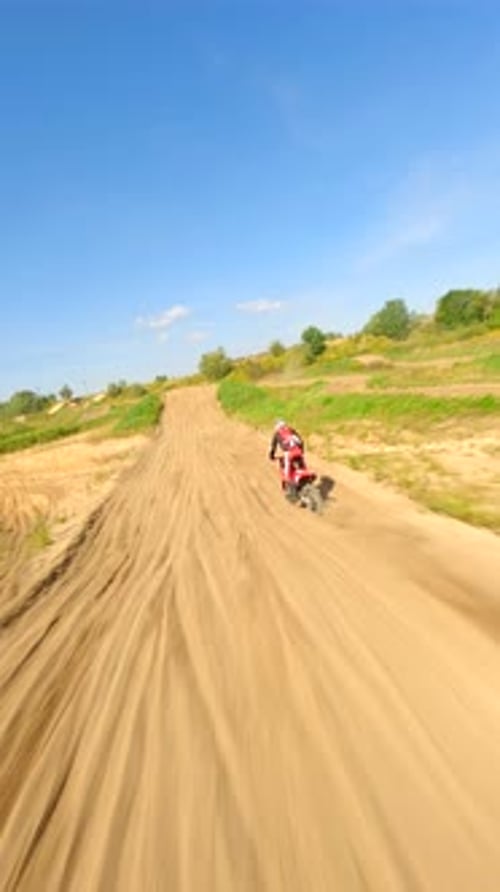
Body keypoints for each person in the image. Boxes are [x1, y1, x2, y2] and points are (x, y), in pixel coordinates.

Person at [268, 419, 305, 496]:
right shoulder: (291, 430)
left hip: (288, 453)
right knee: (302, 466)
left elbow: (273, 447)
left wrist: (271, 456)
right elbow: (301, 441)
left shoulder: (277, 434)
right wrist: (302, 450)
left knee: (286, 472)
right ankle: (305, 477)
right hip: (298, 451)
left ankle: (291, 490)